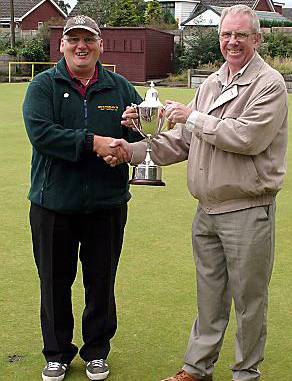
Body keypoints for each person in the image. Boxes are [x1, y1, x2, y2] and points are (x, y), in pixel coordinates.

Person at [106, 5, 288, 381]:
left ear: (257, 38)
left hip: (247, 208)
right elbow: (182, 140)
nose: (232, 41)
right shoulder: (210, 83)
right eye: (226, 34)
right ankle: (197, 368)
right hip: (207, 209)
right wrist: (133, 147)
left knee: (249, 301)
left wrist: (192, 117)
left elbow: (246, 137)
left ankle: (246, 372)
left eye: (240, 34)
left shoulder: (269, 84)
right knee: (209, 296)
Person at [22, 15, 140, 381]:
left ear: (99, 44)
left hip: (106, 204)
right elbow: (43, 135)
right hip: (52, 203)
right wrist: (93, 143)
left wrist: (129, 138)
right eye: (73, 39)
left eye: (88, 39)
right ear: (61, 45)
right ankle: (56, 352)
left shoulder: (120, 88)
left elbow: (142, 137)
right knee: (54, 281)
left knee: (101, 281)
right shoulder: (42, 86)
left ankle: (96, 351)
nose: (80, 46)